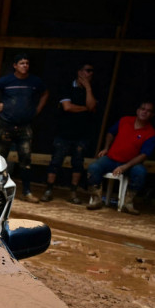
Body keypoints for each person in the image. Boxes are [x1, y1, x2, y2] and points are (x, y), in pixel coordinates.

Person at [0, 54, 49, 202]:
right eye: (22, 63)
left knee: (26, 158)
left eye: (27, 63)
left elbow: (45, 93)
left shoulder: (34, 82)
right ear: (15, 66)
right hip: (6, 125)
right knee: (0, 159)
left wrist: (37, 110)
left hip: (25, 126)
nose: (25, 65)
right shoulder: (7, 80)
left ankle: (27, 192)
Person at [85, 101, 155, 215]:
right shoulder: (125, 120)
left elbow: (144, 155)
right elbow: (110, 133)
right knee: (93, 167)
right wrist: (106, 148)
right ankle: (96, 199)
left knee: (140, 172)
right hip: (111, 158)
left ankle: (128, 203)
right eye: (143, 109)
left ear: (152, 115)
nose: (145, 112)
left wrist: (125, 167)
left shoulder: (151, 133)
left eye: (149, 111)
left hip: (131, 164)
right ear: (138, 110)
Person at [44, 62, 97, 204]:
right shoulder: (66, 87)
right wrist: (85, 108)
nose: (90, 73)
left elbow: (92, 106)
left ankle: (73, 192)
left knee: (78, 163)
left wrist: (88, 88)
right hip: (64, 132)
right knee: (56, 161)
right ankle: (48, 189)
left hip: (82, 134)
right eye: (88, 70)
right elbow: (67, 107)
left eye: (92, 71)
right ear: (79, 72)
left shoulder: (92, 89)